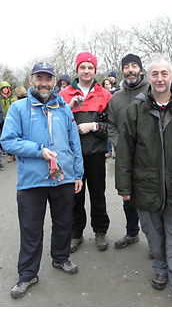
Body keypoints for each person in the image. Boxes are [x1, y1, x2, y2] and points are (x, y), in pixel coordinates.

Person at [115, 55, 172, 301]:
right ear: (148, 77)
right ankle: (161, 268)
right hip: (145, 185)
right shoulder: (136, 108)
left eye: (164, 73)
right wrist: (123, 186)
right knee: (153, 232)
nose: (160, 78)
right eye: (155, 74)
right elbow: (124, 150)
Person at [0, 62, 84, 299]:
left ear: (54, 81)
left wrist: (78, 173)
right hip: (32, 181)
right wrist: (40, 150)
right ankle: (27, 274)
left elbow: (73, 141)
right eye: (39, 78)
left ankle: (60, 258)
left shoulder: (63, 108)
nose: (44, 83)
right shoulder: (18, 108)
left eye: (48, 78)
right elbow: (7, 142)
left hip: (64, 179)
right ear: (31, 81)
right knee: (30, 229)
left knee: (63, 223)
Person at [59, 52, 111, 252]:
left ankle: (100, 231)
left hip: (96, 153)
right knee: (74, 196)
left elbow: (112, 126)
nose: (86, 71)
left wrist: (94, 126)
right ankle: (76, 233)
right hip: (72, 155)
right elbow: (56, 123)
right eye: (83, 67)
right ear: (77, 69)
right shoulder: (64, 96)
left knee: (98, 194)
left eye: (90, 67)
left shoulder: (105, 94)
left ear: (95, 70)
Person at [108, 53, 149, 249]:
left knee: (151, 198)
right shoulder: (116, 98)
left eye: (134, 66)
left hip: (151, 156)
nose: (130, 70)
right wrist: (120, 146)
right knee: (127, 196)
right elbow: (111, 125)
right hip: (125, 157)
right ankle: (132, 233)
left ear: (140, 69)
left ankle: (155, 240)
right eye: (127, 67)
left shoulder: (153, 91)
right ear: (123, 70)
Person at [0, 81, 18, 162]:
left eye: (6, 88)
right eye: (3, 89)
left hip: (14, 119)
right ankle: (11, 155)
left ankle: (16, 154)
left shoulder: (14, 98)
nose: (5, 90)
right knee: (8, 137)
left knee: (16, 136)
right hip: (4, 120)